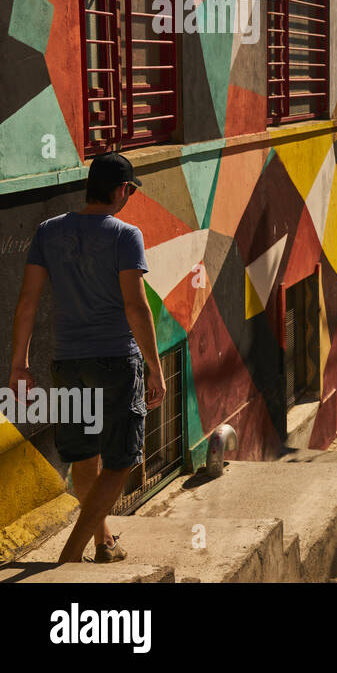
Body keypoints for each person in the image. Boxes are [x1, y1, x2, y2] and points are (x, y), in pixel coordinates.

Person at [8, 153, 165, 564]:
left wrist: (18, 365)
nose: (128, 196)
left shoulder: (48, 232)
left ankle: (104, 542)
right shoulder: (125, 235)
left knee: (83, 456)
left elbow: (27, 302)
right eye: (129, 189)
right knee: (122, 460)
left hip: (67, 364)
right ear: (119, 190)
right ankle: (72, 552)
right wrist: (155, 367)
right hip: (115, 360)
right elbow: (137, 307)